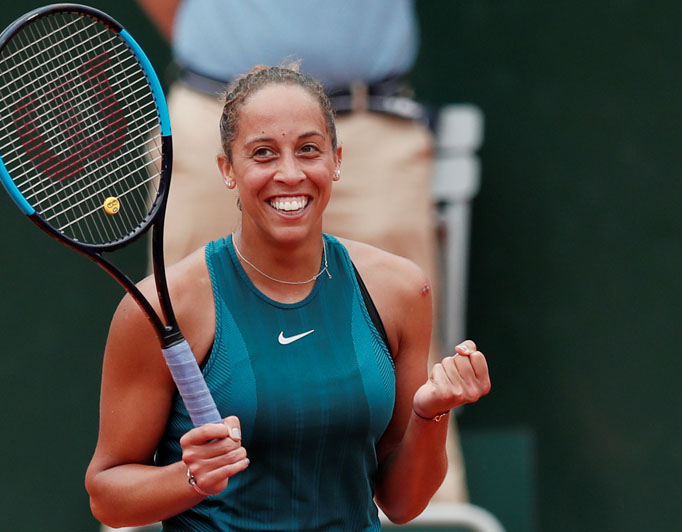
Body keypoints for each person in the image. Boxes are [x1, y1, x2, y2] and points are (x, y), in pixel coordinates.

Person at [85, 65, 490, 531]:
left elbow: (402, 504)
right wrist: (191, 477)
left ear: (336, 160)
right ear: (227, 169)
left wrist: (430, 413)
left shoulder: (400, 291)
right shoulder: (164, 306)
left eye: (308, 149)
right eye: (263, 153)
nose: (290, 173)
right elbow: (108, 497)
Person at [135, 0, 471, 503]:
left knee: (414, 379)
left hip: (369, 120)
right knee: (173, 350)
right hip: (213, 107)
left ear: (333, 161)